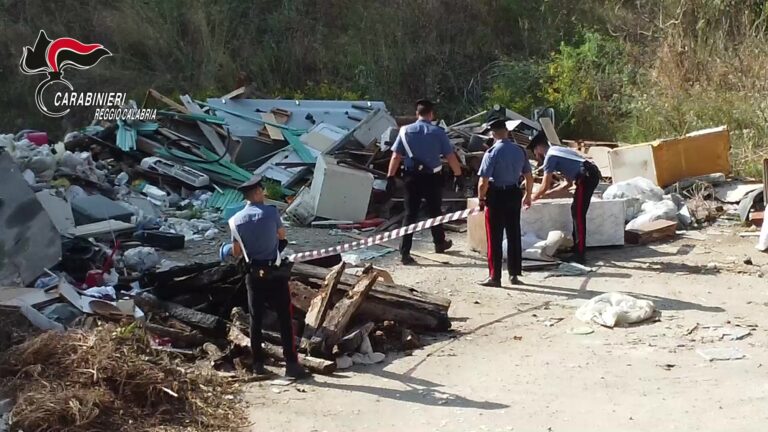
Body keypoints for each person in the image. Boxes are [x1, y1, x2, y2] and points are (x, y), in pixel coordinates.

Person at [219, 175, 309, 379]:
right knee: (285, 318)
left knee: (255, 319)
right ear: (258, 193)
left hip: (253, 274)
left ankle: (258, 364)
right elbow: (282, 237)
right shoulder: (271, 213)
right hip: (275, 273)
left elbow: (235, 252)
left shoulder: (234, 221)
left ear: (245, 198)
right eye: (262, 190)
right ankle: (291, 365)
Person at [386, 99, 464, 265]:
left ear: (417, 114)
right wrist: (458, 175)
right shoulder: (438, 132)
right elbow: (450, 156)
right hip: (432, 178)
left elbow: (396, 156)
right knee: (435, 211)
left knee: (410, 214)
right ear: (431, 114)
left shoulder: (405, 131)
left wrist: (390, 177)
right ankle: (439, 243)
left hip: (411, 177)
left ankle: (405, 253)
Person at [476, 118, 533, 287]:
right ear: (507, 131)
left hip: (496, 196)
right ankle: (514, 274)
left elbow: (483, 181)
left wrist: (481, 199)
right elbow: (529, 177)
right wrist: (528, 195)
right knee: (514, 234)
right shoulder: (519, 150)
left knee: (494, 237)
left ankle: (495, 277)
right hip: (514, 193)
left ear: (493, 133)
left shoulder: (492, 152)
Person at [529, 133, 601, 264]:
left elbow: (544, 185)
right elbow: (567, 184)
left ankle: (579, 254)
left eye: (534, 151)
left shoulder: (550, 157)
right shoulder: (558, 150)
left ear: (539, 147)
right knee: (577, 211)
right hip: (590, 174)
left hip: (586, 176)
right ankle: (577, 249)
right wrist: (548, 194)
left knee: (578, 214)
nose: (535, 155)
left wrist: (533, 197)